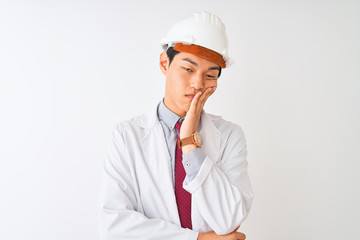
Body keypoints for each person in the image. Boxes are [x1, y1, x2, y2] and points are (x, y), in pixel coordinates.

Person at [99, 11, 254, 240]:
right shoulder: (126, 135)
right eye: (188, 69)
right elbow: (114, 227)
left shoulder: (230, 136)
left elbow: (229, 219)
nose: (197, 83)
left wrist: (190, 142)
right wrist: (200, 239)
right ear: (165, 63)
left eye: (210, 75)